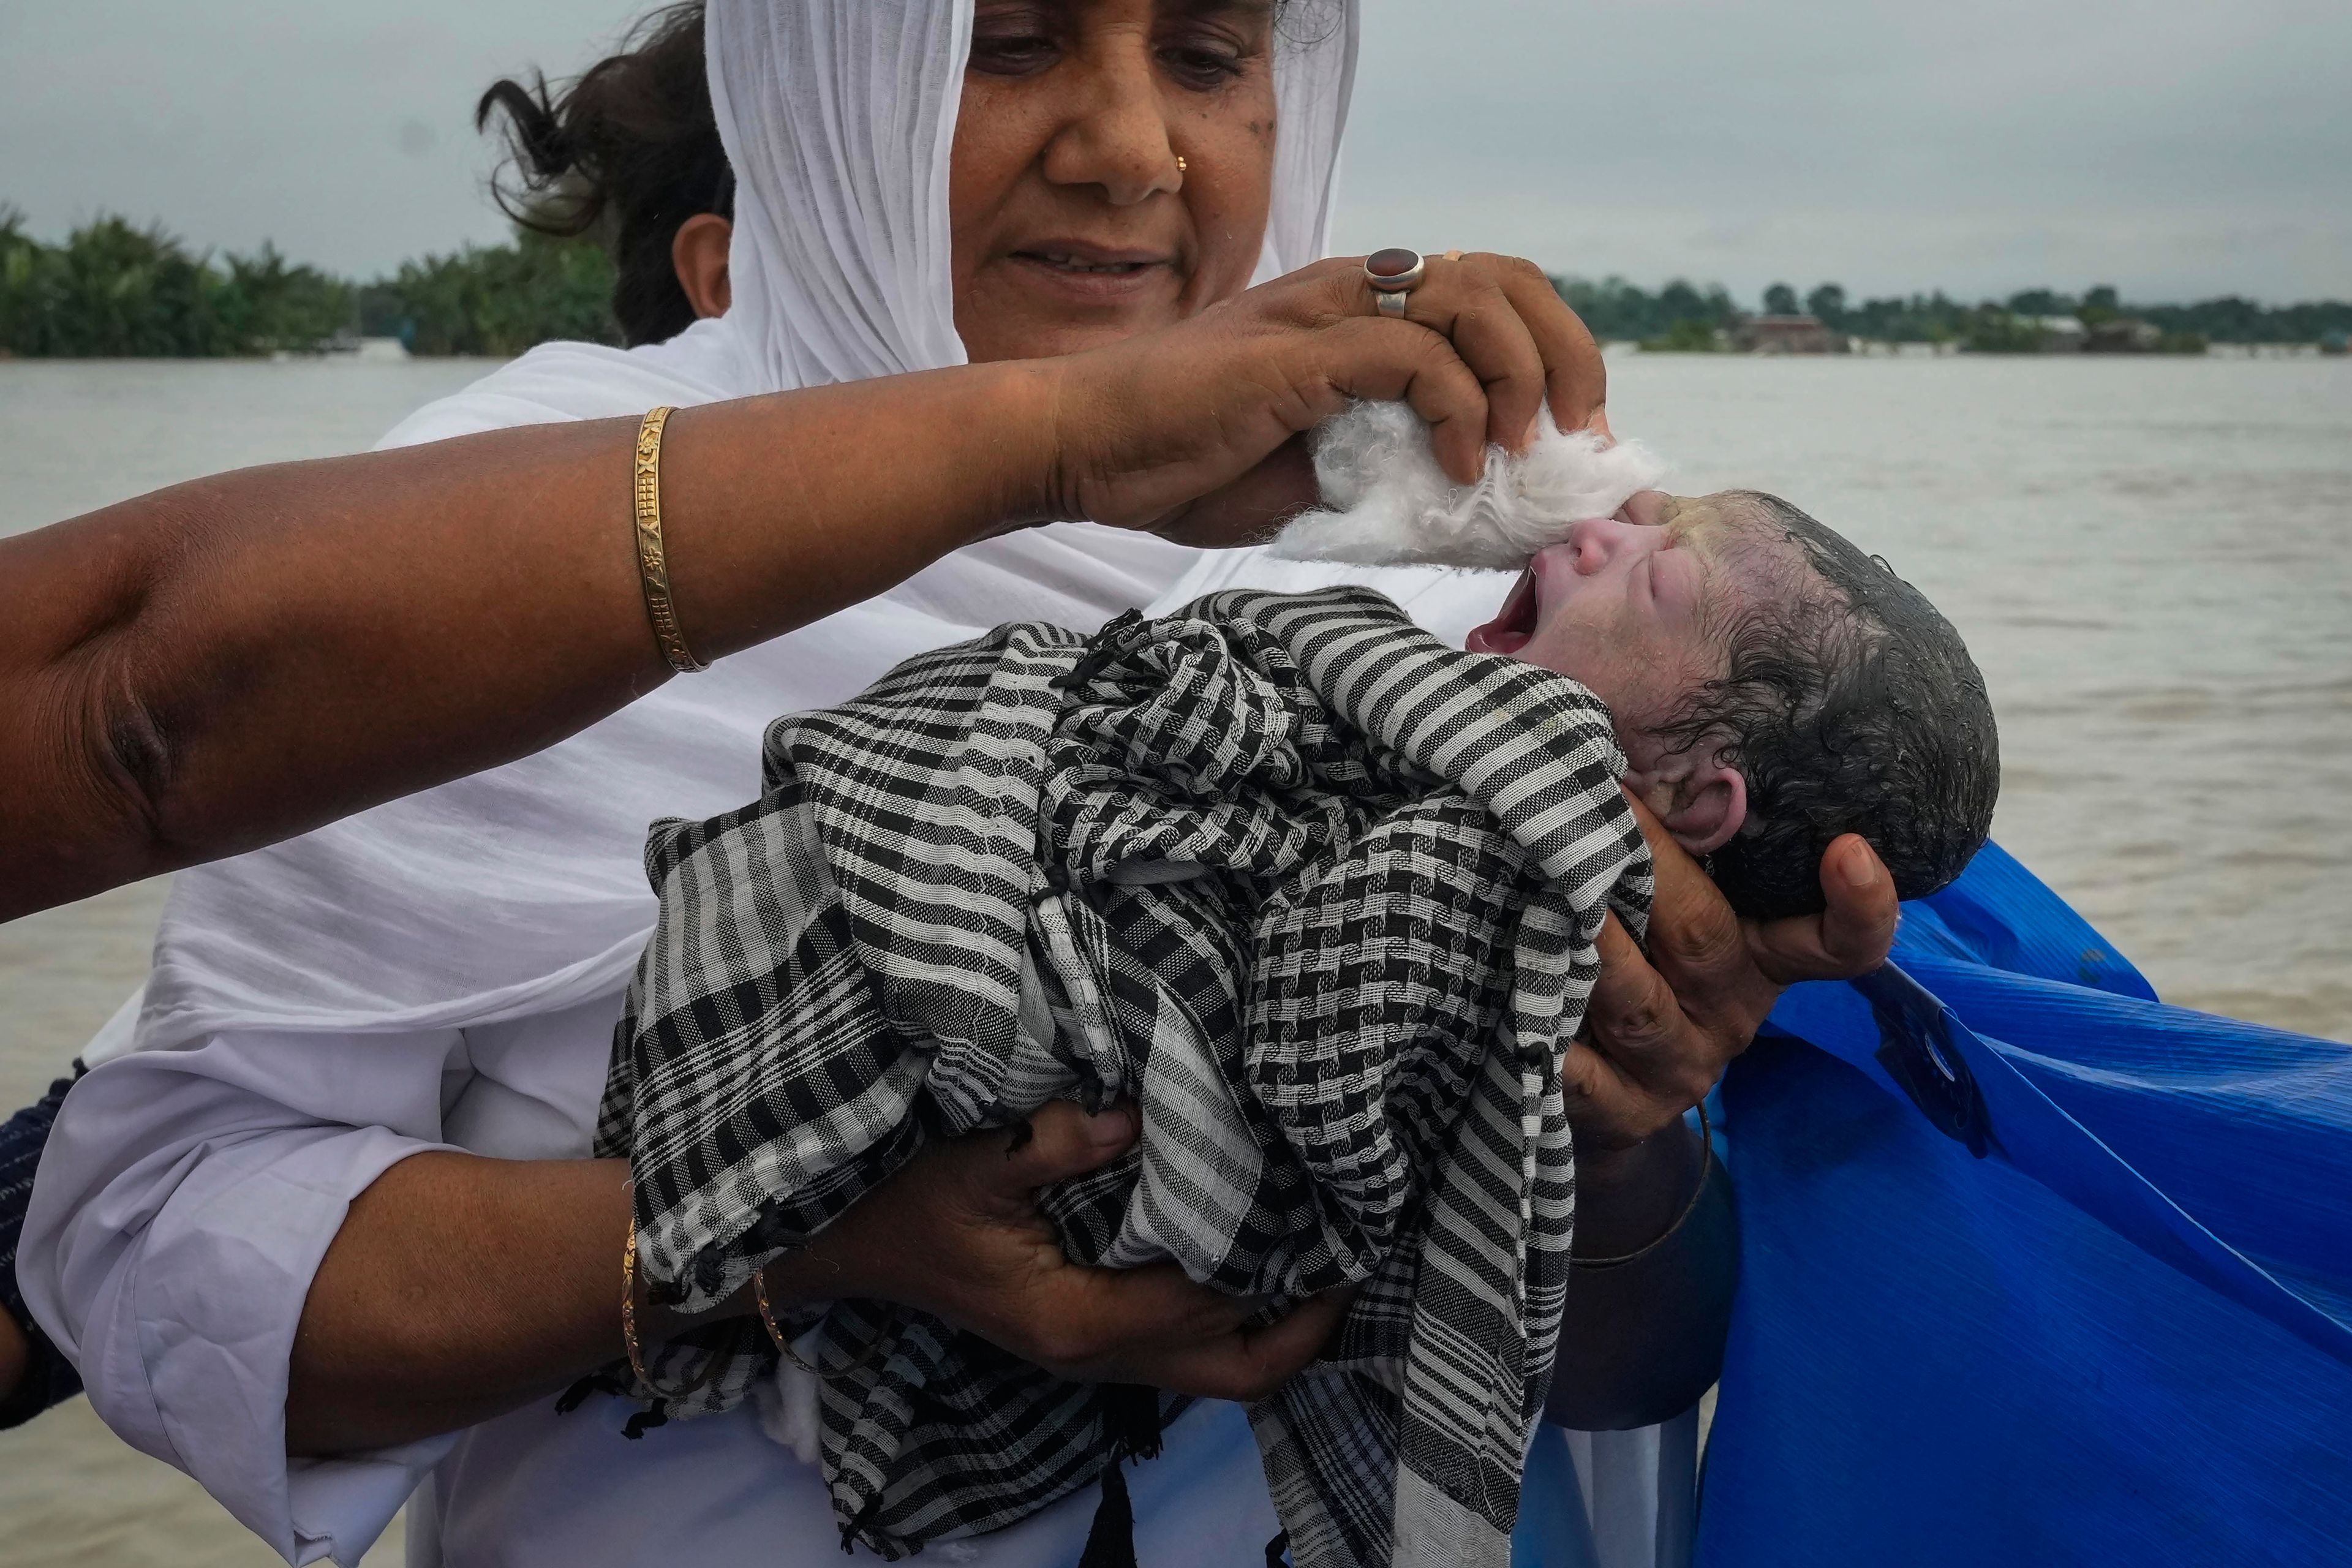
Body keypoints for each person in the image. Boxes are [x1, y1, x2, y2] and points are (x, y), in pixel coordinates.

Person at [13, 9, 1898, 1567]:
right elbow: (160, 1258)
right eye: (1008, 46)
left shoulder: (1471, 582)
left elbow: (1630, 1374)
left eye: (1217, 54)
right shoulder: (505, 546)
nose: (1134, 149)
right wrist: (804, 1244)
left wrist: (1633, 1128)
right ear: (825, 79)